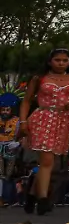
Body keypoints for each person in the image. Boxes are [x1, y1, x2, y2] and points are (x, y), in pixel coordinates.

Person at [19, 49, 69, 215]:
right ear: (50, 61)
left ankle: (32, 194)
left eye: (65, 60)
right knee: (47, 160)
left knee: (51, 163)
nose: (61, 63)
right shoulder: (40, 78)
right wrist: (23, 121)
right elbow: (26, 101)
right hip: (43, 118)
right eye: (57, 60)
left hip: (64, 121)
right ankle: (43, 199)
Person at [0, 78, 24, 207]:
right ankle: (2, 198)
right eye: (3, 109)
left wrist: (18, 144)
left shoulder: (18, 121)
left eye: (7, 109)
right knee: (0, 174)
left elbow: (23, 136)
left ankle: (10, 198)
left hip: (11, 149)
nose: (4, 112)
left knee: (9, 174)